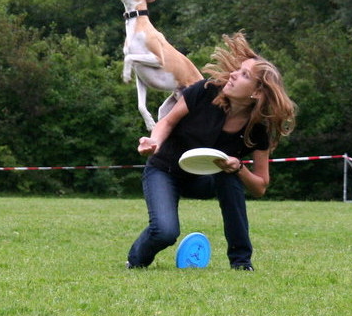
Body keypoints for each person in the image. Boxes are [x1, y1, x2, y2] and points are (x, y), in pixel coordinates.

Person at [126, 31, 296, 271]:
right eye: (238, 69)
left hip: (204, 180)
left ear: (256, 93)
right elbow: (167, 122)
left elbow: (260, 186)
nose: (234, 74)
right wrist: (154, 143)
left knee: (230, 176)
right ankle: (135, 261)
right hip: (165, 170)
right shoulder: (205, 90)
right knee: (165, 232)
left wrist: (239, 168)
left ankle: (241, 263)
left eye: (244, 74)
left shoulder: (258, 130)